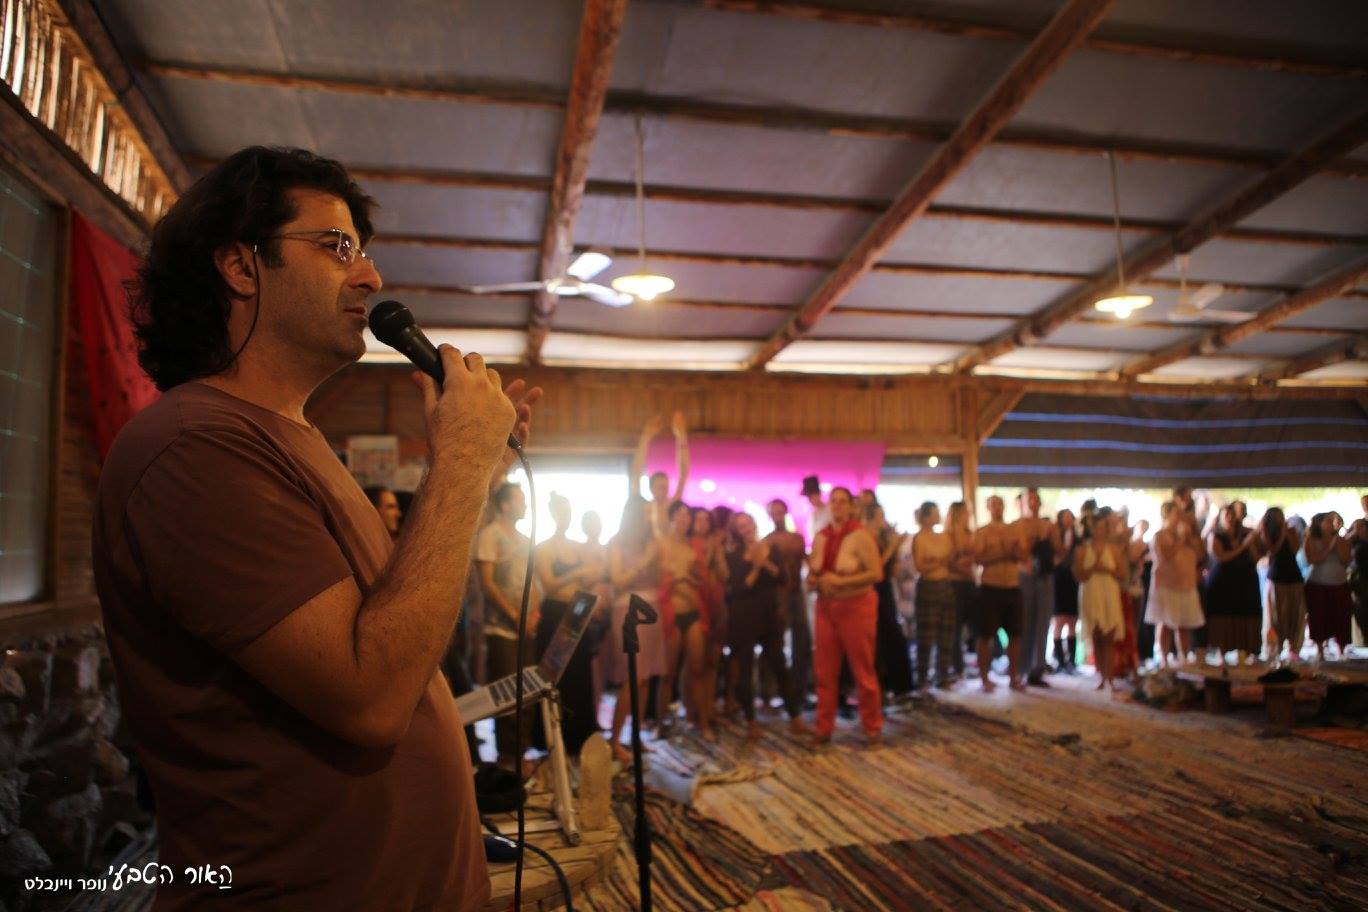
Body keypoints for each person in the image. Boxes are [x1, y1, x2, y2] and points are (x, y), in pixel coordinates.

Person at [95, 146, 539, 911]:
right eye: (337, 247)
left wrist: (473, 477)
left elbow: (394, 623)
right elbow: (369, 698)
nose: (369, 277)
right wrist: (461, 466)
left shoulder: (291, 439)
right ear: (242, 266)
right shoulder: (193, 449)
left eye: (361, 252)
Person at [808, 488, 883, 745]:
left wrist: (840, 582)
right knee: (824, 670)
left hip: (856, 605)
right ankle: (823, 727)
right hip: (826, 606)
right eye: (834, 502)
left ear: (851, 507)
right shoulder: (821, 536)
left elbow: (876, 573)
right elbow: (815, 570)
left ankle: (872, 725)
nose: (838, 506)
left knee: (862, 668)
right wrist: (813, 580)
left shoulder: (860, 535)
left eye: (843, 502)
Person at [724, 513, 807, 738]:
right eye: (741, 526)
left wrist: (765, 562)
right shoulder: (733, 555)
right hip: (744, 616)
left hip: (768, 614)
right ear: (736, 531)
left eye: (748, 523)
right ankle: (751, 722)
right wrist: (756, 567)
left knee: (779, 665)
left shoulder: (771, 548)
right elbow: (739, 588)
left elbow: (782, 578)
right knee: (745, 668)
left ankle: (795, 718)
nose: (746, 529)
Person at [533, 493, 602, 755]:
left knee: (578, 674)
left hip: (577, 611)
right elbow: (548, 584)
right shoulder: (543, 548)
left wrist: (591, 574)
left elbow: (590, 577)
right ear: (553, 514)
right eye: (562, 511)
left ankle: (580, 733)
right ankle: (551, 735)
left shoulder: (577, 547)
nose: (566, 516)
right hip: (554, 613)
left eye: (569, 511)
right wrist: (576, 573)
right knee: (554, 676)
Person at [478, 482, 540, 768]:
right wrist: (516, 616)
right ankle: (506, 756)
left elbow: (533, 581)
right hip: (501, 627)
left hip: (526, 626)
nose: (525, 504)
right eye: (520, 499)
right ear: (504, 505)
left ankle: (521, 753)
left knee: (527, 691)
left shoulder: (525, 539)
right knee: (506, 693)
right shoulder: (490, 535)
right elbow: (488, 584)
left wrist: (534, 613)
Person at [603, 497, 665, 766]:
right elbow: (617, 581)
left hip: (652, 607)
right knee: (633, 677)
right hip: (627, 608)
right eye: (646, 513)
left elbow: (658, 580)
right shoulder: (617, 542)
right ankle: (614, 740)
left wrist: (656, 560)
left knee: (646, 677)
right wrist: (644, 562)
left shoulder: (651, 542)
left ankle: (636, 736)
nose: (649, 518)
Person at [657, 501, 712, 737]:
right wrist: (677, 579)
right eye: (679, 514)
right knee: (668, 674)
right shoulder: (662, 545)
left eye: (687, 515)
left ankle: (703, 723)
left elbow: (703, 579)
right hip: (672, 613)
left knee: (697, 669)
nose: (684, 519)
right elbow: (658, 579)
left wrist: (694, 578)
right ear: (671, 518)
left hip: (693, 611)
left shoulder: (694, 545)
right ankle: (661, 724)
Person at [973, 495, 1025, 692]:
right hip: (990, 587)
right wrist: (1003, 552)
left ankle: (1013, 677)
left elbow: (1023, 555)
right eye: (993, 504)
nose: (997, 508)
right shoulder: (982, 532)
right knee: (985, 635)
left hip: (1012, 586)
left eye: (1000, 504)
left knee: (1015, 635)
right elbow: (978, 558)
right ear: (988, 508)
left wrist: (1011, 552)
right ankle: (984, 678)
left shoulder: (1014, 530)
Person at [1145, 501, 1206, 667]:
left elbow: (1201, 555)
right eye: (1176, 513)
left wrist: (1190, 538)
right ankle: (1164, 659)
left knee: (1184, 623)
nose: (1180, 517)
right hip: (1166, 585)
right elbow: (1164, 557)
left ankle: (1183, 657)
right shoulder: (1159, 536)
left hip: (1186, 584)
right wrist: (1180, 540)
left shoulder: (1188, 535)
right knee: (1165, 622)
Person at [1014, 488, 1063, 687]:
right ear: (1022, 503)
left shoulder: (1049, 526)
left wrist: (1050, 557)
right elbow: (1015, 552)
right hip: (1024, 576)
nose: (1033, 503)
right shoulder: (1017, 526)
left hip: (1044, 576)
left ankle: (1037, 668)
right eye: (1029, 499)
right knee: (1023, 621)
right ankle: (1020, 668)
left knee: (1043, 621)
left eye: (1036, 499)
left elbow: (1060, 551)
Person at [765, 499, 812, 701]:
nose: (777, 515)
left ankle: (799, 688)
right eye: (773, 512)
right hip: (778, 595)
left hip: (796, 593)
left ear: (785, 512)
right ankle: (775, 690)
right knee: (775, 641)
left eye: (780, 511)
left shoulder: (797, 539)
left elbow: (807, 562)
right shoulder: (767, 541)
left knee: (801, 641)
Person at [1075, 508, 1127, 691]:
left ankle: (1110, 677)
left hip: (1109, 592)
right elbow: (1079, 575)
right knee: (1096, 635)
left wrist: (1107, 570)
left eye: (1104, 528)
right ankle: (1101, 676)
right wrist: (1093, 568)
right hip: (1091, 591)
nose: (1101, 531)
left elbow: (1122, 573)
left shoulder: (1114, 549)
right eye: (1098, 527)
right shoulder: (1083, 549)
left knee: (1109, 636)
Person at [1204, 504, 1263, 662]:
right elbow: (1220, 557)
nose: (1230, 518)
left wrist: (1250, 543)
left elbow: (1256, 557)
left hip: (1245, 580)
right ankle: (1221, 654)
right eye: (1226, 515)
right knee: (1222, 616)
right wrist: (1242, 546)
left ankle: (1245, 652)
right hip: (1223, 582)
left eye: (1232, 515)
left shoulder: (1246, 533)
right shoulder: (1215, 535)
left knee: (1245, 614)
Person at [866, 504, 913, 698]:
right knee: (885, 636)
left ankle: (897, 685)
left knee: (891, 636)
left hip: (885, 588)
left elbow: (891, 568)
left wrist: (896, 546)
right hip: (874, 590)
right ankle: (886, 685)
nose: (883, 519)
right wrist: (892, 546)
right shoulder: (867, 537)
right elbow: (876, 567)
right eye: (880, 515)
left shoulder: (882, 536)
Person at [911, 502, 955, 690]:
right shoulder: (919, 538)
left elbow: (950, 558)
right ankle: (922, 677)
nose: (939, 516)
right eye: (935, 513)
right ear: (926, 516)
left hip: (946, 585)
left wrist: (935, 561)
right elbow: (921, 566)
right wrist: (940, 561)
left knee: (946, 633)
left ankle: (942, 675)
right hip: (928, 587)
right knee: (926, 635)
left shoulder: (944, 537)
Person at [1304, 512, 1354, 661]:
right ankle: (1320, 650)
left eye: (1332, 521)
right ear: (1319, 523)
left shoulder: (1341, 539)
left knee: (1341, 616)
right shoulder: (1311, 539)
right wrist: (1329, 545)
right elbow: (1313, 559)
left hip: (1339, 583)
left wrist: (1337, 540)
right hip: (1317, 583)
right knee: (1318, 617)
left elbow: (1346, 559)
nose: (1331, 524)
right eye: (1327, 521)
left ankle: (1341, 650)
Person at [631, 412, 690, 538]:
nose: (664, 490)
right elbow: (636, 474)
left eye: (666, 487)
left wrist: (681, 436)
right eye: (660, 487)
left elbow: (683, 474)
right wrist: (645, 437)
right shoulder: (645, 507)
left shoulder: (672, 506)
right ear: (651, 488)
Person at [1260, 507, 1306, 660]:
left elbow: (1295, 549)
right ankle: (1274, 649)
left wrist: (1288, 533)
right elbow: (1272, 550)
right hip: (1276, 577)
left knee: (1295, 616)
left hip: (1294, 576)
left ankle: (1294, 648)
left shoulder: (1290, 530)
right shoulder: (1266, 530)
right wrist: (1281, 535)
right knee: (1275, 617)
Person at [946, 501, 976, 680]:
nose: (968, 515)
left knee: (974, 626)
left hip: (970, 582)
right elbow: (949, 560)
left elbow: (976, 555)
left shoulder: (970, 534)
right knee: (954, 627)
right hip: (955, 584)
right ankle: (957, 667)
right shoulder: (948, 535)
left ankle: (977, 663)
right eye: (966, 512)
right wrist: (963, 567)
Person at [1050, 509, 1080, 674]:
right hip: (1059, 579)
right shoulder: (1055, 537)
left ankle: (1072, 661)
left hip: (1072, 580)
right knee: (1059, 621)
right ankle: (1060, 660)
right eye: (1066, 517)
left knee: (1072, 621)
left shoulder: (1077, 537)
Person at [1351, 495, 1368, 647]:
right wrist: (1356, 532)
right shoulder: (1358, 524)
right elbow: (1345, 542)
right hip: (1361, 575)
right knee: (1362, 609)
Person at [801, 475, 831, 541]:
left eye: (812, 495)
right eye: (808, 496)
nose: (810, 499)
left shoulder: (829, 510)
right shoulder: (811, 514)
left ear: (819, 494)